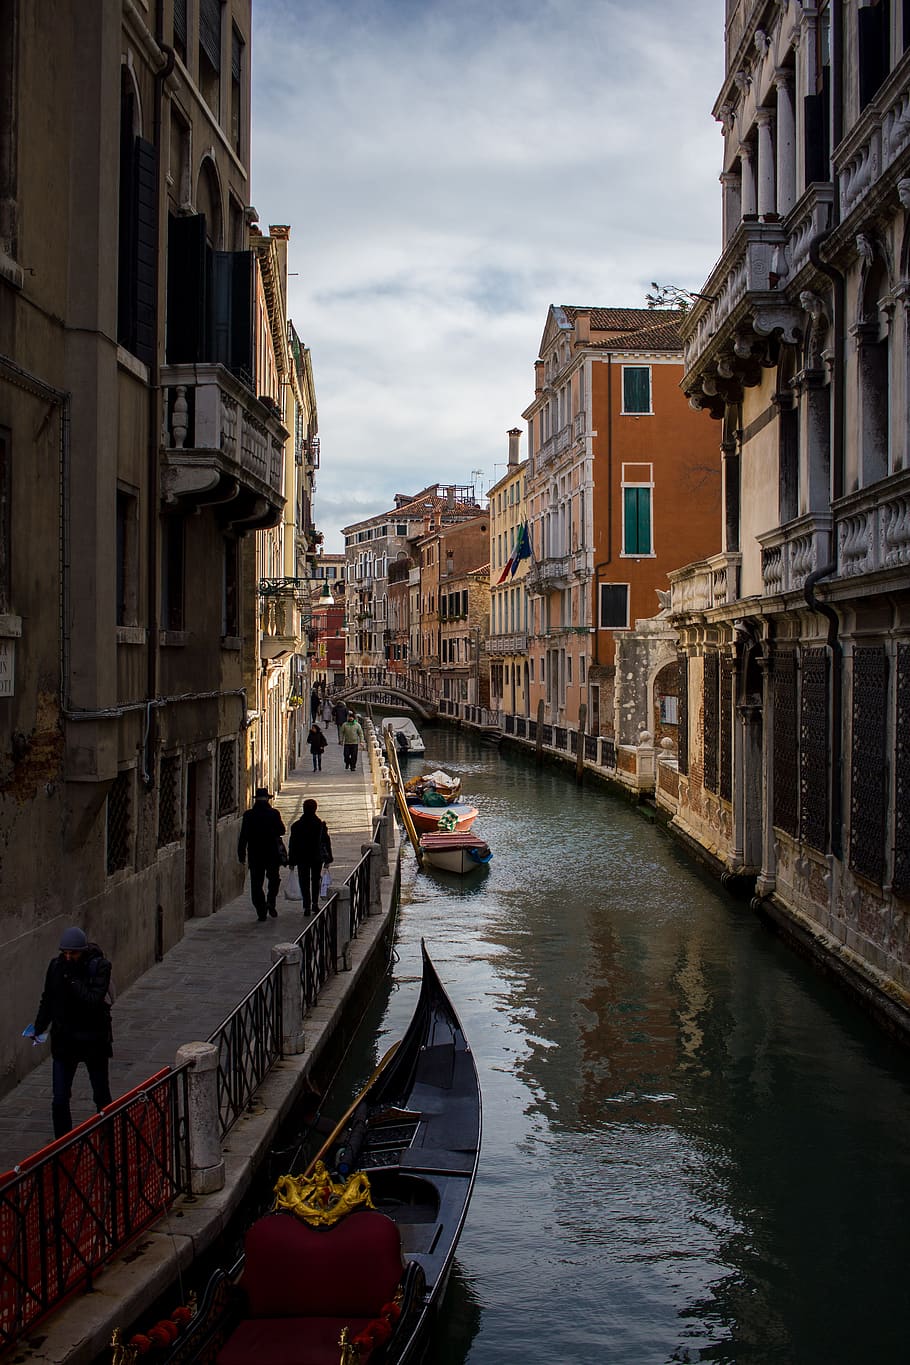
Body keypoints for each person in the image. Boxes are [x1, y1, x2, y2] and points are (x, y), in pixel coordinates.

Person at [25, 927, 113, 1138]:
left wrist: (72, 980)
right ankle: (63, 1144)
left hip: (93, 1041)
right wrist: (38, 1027)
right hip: (65, 1042)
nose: (67, 957)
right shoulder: (56, 967)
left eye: (72, 953)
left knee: (101, 1094)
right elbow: (48, 999)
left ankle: (108, 1138)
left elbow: (92, 1000)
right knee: (60, 1098)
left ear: (82, 951)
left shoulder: (100, 967)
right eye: (64, 953)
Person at [237, 786, 286, 920]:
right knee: (274, 879)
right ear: (268, 800)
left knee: (256, 883)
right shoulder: (274, 813)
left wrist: (241, 854)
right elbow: (282, 831)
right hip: (272, 854)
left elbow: (243, 836)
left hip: (255, 855)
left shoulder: (248, 815)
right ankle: (271, 901)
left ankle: (261, 910)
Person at [288, 798, 334, 915]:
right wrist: (328, 858)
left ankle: (306, 906)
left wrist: (292, 861)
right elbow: (326, 842)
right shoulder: (320, 825)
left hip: (302, 857)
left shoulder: (296, 826)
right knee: (315, 879)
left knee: (304, 881)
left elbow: (292, 844)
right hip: (316, 857)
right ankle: (314, 903)